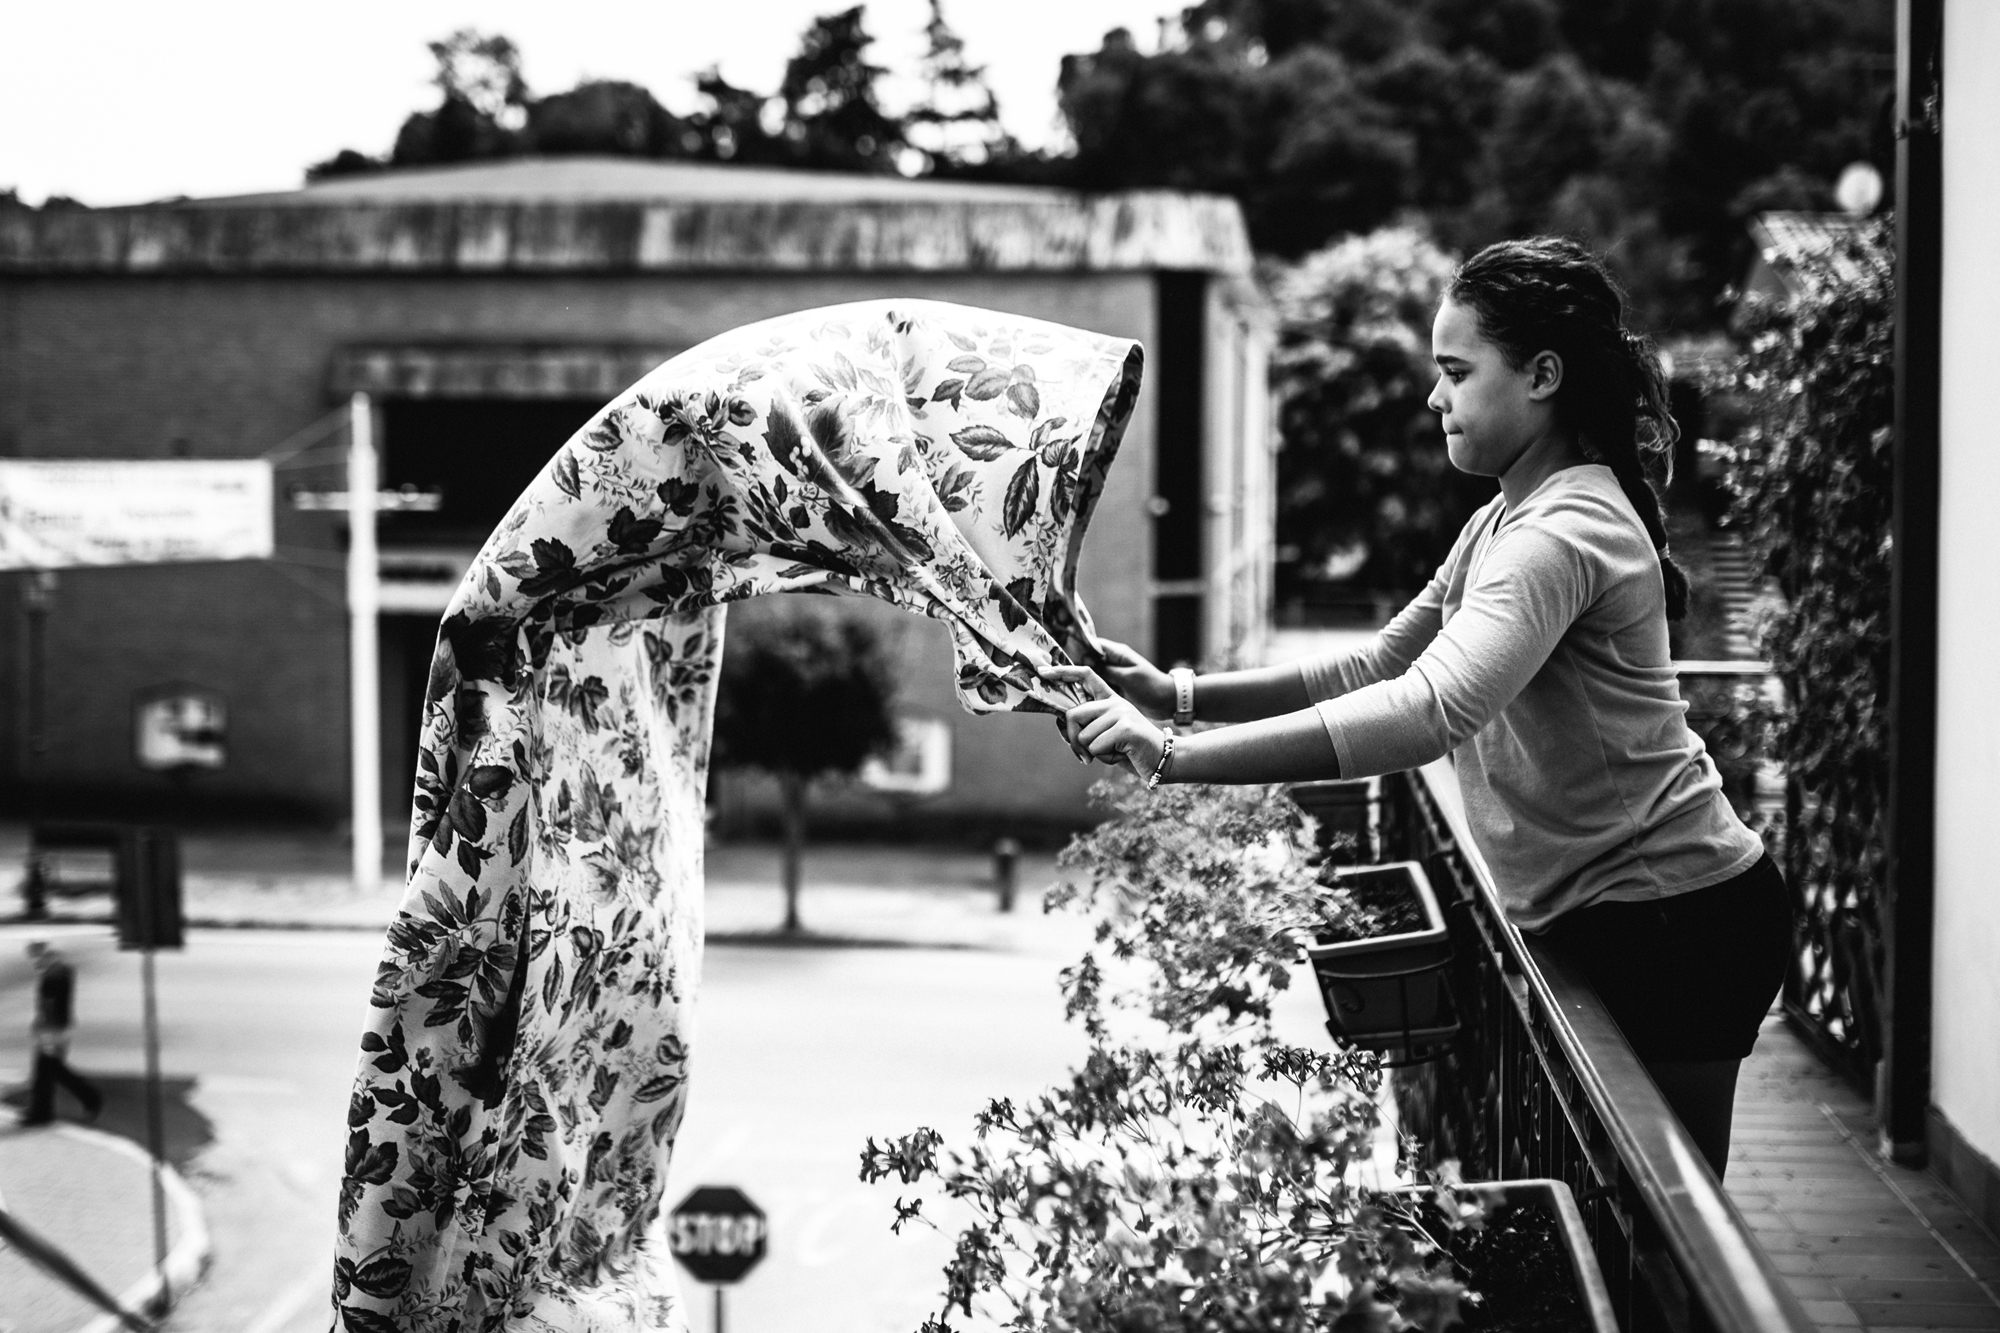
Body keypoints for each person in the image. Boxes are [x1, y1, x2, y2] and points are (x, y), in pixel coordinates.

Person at [1044, 236, 1789, 1178]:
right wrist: (1174, 694)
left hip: (1675, 919)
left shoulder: (1563, 533)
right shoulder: (1504, 520)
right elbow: (1380, 662)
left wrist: (1172, 757)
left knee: (1668, 1239)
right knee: (1630, 1231)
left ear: (1543, 376)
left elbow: (1426, 709)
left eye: (1455, 371)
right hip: (1621, 915)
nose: (1435, 398)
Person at [22, 939, 102, 1126]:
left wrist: (43, 1029)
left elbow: (50, 1005)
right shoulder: (60, 970)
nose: (34, 961)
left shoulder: (53, 974)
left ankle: (89, 1097)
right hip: (58, 1027)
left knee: (51, 1069)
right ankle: (42, 1111)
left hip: (53, 1029)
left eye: (36, 955)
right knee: (46, 1069)